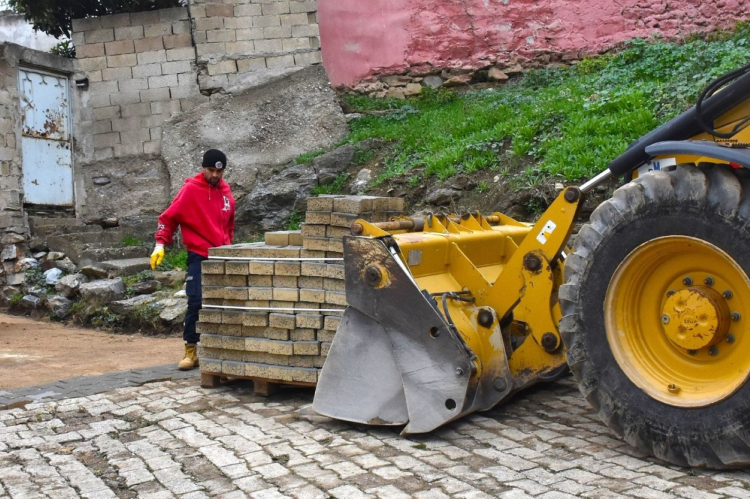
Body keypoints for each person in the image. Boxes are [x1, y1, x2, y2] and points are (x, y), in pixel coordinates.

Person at [150, 149, 235, 370]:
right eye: (210, 170)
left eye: (219, 171)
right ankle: (191, 350)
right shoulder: (190, 190)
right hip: (199, 254)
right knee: (196, 301)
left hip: (222, 255)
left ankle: (222, 350)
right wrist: (160, 244)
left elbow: (230, 225)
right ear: (203, 168)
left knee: (224, 302)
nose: (215, 175)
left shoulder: (226, 192)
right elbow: (167, 218)